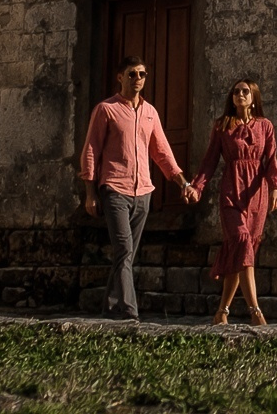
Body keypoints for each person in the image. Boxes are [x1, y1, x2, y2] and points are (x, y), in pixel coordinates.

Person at [78, 57, 197, 320]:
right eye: (132, 74)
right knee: (123, 250)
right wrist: (90, 192)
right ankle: (131, 313)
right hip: (114, 189)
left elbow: (162, 151)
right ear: (120, 77)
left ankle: (110, 308)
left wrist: (183, 183)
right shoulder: (106, 110)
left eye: (142, 74)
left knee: (125, 256)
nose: (138, 79)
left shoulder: (150, 113)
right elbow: (91, 150)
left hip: (143, 192)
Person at [190, 79, 277, 325]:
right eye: (236, 91)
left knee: (243, 250)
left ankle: (222, 312)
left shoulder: (265, 126)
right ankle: (255, 311)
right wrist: (197, 186)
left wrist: (276, 187)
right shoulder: (223, 126)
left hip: (257, 194)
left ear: (254, 97)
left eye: (245, 91)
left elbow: (271, 158)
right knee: (241, 241)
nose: (239, 94)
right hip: (231, 190)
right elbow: (210, 159)